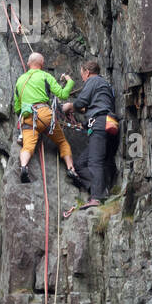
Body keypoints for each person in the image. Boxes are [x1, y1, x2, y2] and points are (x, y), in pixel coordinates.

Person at [11, 53, 77, 184]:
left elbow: (17, 107)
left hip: (27, 117)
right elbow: (63, 94)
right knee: (62, 142)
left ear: (29, 63)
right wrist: (70, 81)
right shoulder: (45, 76)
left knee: (28, 146)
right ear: (42, 64)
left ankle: (24, 167)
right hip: (44, 115)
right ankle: (71, 169)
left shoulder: (20, 80)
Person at [63, 59, 118, 207]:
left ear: (87, 72)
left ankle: (97, 197)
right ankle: (100, 189)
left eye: (82, 74)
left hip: (99, 124)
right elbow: (99, 105)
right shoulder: (105, 85)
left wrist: (70, 106)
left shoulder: (92, 81)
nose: (82, 78)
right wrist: (85, 122)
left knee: (95, 162)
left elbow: (82, 101)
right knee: (80, 164)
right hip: (107, 123)